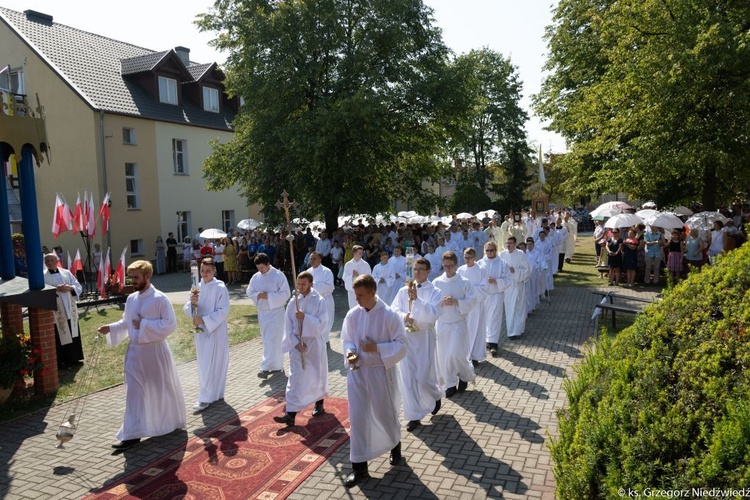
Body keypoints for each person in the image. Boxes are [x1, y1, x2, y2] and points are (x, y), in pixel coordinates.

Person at [97, 260, 186, 449]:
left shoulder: (160, 299)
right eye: (131, 277)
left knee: (160, 390)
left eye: (136, 277)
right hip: (136, 354)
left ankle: (168, 422)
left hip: (155, 352)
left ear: (148, 276)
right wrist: (110, 328)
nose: (133, 281)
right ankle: (131, 434)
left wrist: (144, 325)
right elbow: (127, 323)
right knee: (134, 394)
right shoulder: (131, 299)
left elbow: (170, 325)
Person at [341, 274, 407, 488]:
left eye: (360, 295)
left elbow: (402, 345)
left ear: (372, 292)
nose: (357, 299)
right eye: (355, 295)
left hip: (380, 372)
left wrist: (377, 348)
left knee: (384, 414)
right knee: (358, 418)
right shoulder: (353, 315)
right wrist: (350, 353)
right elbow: (348, 339)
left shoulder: (389, 315)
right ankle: (359, 467)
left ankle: (395, 444)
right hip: (358, 372)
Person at [391, 257, 443, 432]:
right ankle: (414, 415)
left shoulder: (435, 291)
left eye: (421, 269)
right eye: (415, 269)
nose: (418, 272)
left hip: (423, 337)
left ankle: (435, 395)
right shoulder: (402, 291)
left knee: (423, 376)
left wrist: (417, 301)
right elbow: (393, 310)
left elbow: (434, 314)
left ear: (428, 271)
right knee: (408, 377)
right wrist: (404, 316)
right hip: (406, 338)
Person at [273, 271, 329, 426]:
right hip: (297, 344)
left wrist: (305, 318)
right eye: (298, 283)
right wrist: (295, 343)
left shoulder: (319, 300)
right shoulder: (293, 302)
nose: (300, 287)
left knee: (316, 374)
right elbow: (288, 325)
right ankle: (290, 414)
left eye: (303, 284)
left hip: (313, 344)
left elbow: (322, 325)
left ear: (311, 284)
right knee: (295, 377)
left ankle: (319, 403)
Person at [182, 257, 230, 412]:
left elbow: (223, 310)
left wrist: (204, 319)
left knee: (216, 362)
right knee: (204, 364)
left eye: (208, 271)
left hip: (215, 330)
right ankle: (208, 395)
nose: (204, 273)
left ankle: (212, 395)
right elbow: (187, 308)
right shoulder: (197, 287)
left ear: (214, 271)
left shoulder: (220, 287)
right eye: (202, 270)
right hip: (201, 332)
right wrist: (192, 303)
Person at [433, 251, 477, 398]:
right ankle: (450, 383)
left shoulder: (464, 282)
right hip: (443, 323)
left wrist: (457, 301)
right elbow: (431, 303)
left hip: (458, 323)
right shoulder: (437, 282)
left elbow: (472, 300)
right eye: (445, 266)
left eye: (451, 266)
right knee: (445, 356)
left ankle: (464, 376)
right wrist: (442, 302)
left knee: (457, 354)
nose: (448, 269)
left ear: (456, 266)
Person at [246, 253, 291, 378]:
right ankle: (276, 366)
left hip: (276, 312)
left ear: (268, 264)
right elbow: (249, 291)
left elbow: (286, 293)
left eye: (262, 268)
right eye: (258, 268)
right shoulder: (256, 277)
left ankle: (265, 368)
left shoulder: (278, 275)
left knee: (275, 339)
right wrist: (257, 295)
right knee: (267, 340)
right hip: (263, 313)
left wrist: (269, 296)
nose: (261, 270)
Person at [43, 253, 84, 368]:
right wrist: (55, 289)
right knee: (59, 332)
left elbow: (77, 285)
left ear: (57, 261)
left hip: (69, 307)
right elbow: (42, 291)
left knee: (73, 331)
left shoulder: (66, 272)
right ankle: (61, 361)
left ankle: (74, 358)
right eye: (47, 261)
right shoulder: (43, 276)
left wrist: (70, 288)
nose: (49, 263)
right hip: (57, 310)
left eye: (51, 260)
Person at [478, 241, 511, 356]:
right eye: (487, 250)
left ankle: (493, 343)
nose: (489, 252)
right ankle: (485, 341)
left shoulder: (502, 263)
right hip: (484, 295)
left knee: (495, 319)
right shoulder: (480, 263)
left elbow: (508, 280)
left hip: (496, 294)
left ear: (496, 250)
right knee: (484, 319)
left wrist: (496, 281)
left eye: (492, 250)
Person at [458, 248, 487, 366]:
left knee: (476, 330)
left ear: (474, 257)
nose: (467, 260)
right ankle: (465, 355)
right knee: (465, 330)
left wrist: (469, 291)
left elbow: (484, 288)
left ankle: (475, 355)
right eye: (465, 257)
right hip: (464, 305)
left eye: (469, 257)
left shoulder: (481, 270)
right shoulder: (460, 270)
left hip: (476, 305)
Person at [499, 237, 530, 339]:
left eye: (511, 243)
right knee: (509, 308)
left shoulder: (521, 254)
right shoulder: (502, 254)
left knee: (519, 308)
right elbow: (499, 269)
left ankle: (519, 329)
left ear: (515, 243)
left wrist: (515, 271)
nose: (508, 245)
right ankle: (511, 332)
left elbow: (526, 270)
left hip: (518, 284)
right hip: (508, 286)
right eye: (507, 243)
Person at [308, 252, 335, 345]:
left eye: (314, 258)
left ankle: (325, 341)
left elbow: (329, 286)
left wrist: (313, 285)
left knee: (326, 321)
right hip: (312, 301)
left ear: (320, 259)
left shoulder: (326, 271)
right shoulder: (308, 272)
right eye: (311, 259)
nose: (312, 261)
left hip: (325, 299)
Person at [343, 245, 371, 310]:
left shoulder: (365, 265)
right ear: (354, 253)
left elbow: (368, 278)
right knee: (352, 308)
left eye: (362, 252)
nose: (361, 254)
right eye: (360, 252)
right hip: (352, 291)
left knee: (362, 308)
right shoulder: (348, 264)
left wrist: (358, 277)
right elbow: (344, 277)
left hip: (362, 290)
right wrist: (352, 277)